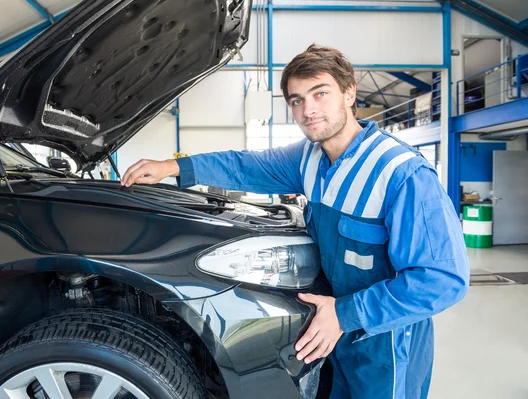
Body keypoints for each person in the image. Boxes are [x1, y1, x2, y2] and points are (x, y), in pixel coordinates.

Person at [121, 45, 470, 399]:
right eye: (297, 100)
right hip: (333, 330)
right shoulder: (309, 158)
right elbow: (245, 165)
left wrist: (346, 314)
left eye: (320, 93)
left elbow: (443, 280)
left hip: (387, 343)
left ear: (349, 93)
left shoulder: (402, 174)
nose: (308, 110)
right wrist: (175, 167)